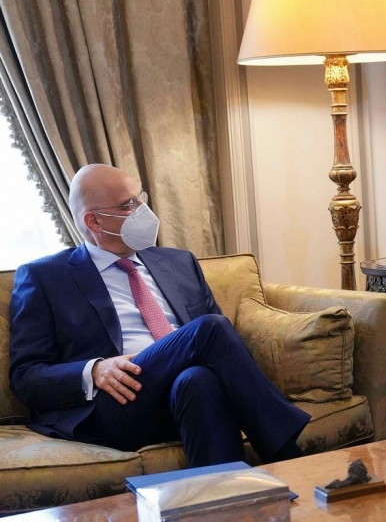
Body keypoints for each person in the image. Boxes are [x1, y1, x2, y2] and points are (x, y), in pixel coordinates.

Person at [9, 164, 311, 467]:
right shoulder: (45, 277)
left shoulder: (180, 263)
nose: (143, 210)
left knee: (199, 379)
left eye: (141, 198)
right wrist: (94, 370)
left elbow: (225, 350)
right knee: (209, 329)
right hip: (118, 403)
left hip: (182, 396)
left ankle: (224, 492)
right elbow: (26, 376)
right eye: (128, 205)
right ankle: (288, 455)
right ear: (94, 221)